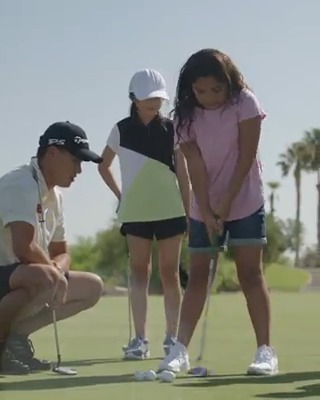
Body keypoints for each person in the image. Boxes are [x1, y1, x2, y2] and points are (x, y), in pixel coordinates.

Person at [159, 49, 279, 376]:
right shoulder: (184, 116)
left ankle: (265, 352)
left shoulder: (245, 103)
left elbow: (245, 158)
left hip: (245, 200)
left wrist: (225, 204)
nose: (208, 98)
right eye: (200, 91)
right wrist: (207, 208)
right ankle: (180, 350)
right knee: (199, 275)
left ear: (229, 83)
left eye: (216, 90)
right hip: (205, 205)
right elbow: (193, 164)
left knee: (250, 274)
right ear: (189, 88)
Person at [98, 69, 190, 360]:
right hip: (135, 212)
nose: (155, 104)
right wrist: (121, 196)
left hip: (170, 210)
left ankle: (172, 338)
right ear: (134, 99)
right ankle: (140, 339)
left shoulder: (173, 128)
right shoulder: (121, 129)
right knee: (139, 272)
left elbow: (184, 173)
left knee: (170, 273)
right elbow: (103, 165)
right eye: (148, 99)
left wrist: (190, 212)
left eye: (158, 99)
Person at [0, 121, 104, 374]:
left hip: (19, 278)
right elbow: (24, 247)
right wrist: (54, 275)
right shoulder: (20, 184)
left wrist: (57, 269)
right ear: (53, 153)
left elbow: (62, 251)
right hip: (10, 274)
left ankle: (15, 339)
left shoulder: (55, 196)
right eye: (76, 161)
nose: (79, 170)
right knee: (43, 278)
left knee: (92, 286)